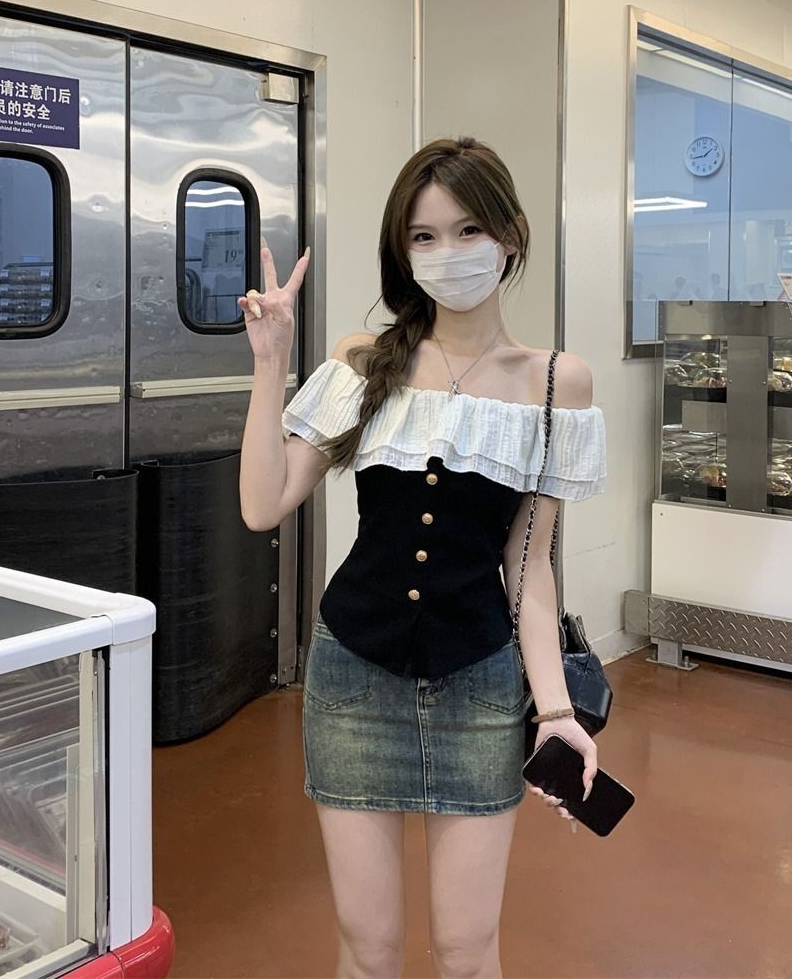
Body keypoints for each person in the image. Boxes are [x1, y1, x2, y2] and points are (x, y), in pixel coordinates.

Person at [238, 137, 607, 979]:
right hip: (352, 681)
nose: (449, 252)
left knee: (469, 950)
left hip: (479, 686)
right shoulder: (365, 361)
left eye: (469, 229)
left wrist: (555, 710)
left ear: (510, 235)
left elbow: (530, 566)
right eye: (424, 236)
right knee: (368, 948)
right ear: (403, 253)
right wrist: (269, 364)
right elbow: (263, 503)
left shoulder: (556, 384)